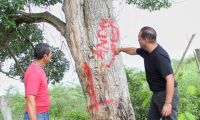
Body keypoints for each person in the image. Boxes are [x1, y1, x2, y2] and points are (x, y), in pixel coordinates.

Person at [115, 26, 179, 120]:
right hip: (156, 94)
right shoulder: (147, 51)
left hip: (166, 94)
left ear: (145, 40)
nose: (138, 41)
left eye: (139, 39)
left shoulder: (160, 56)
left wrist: (168, 103)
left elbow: (170, 79)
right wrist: (120, 50)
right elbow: (134, 50)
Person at [23, 43, 52, 120]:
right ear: (45, 56)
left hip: (42, 114)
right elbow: (30, 100)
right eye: (50, 53)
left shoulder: (39, 69)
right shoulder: (34, 72)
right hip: (37, 115)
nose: (51, 55)